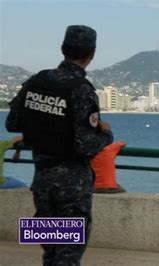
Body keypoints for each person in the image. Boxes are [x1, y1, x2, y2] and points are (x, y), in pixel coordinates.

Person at [5, 25, 113, 265]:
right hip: (72, 185)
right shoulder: (82, 90)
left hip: (42, 180)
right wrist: (106, 134)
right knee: (69, 253)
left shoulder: (36, 81)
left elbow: (12, 123)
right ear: (92, 54)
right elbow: (86, 144)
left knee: (51, 251)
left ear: (62, 49)